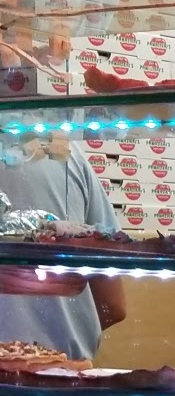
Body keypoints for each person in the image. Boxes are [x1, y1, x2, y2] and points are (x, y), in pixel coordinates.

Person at [0, 141, 126, 357]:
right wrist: (46, 350)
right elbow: (113, 304)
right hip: (63, 366)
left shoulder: (66, 152)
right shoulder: (68, 152)